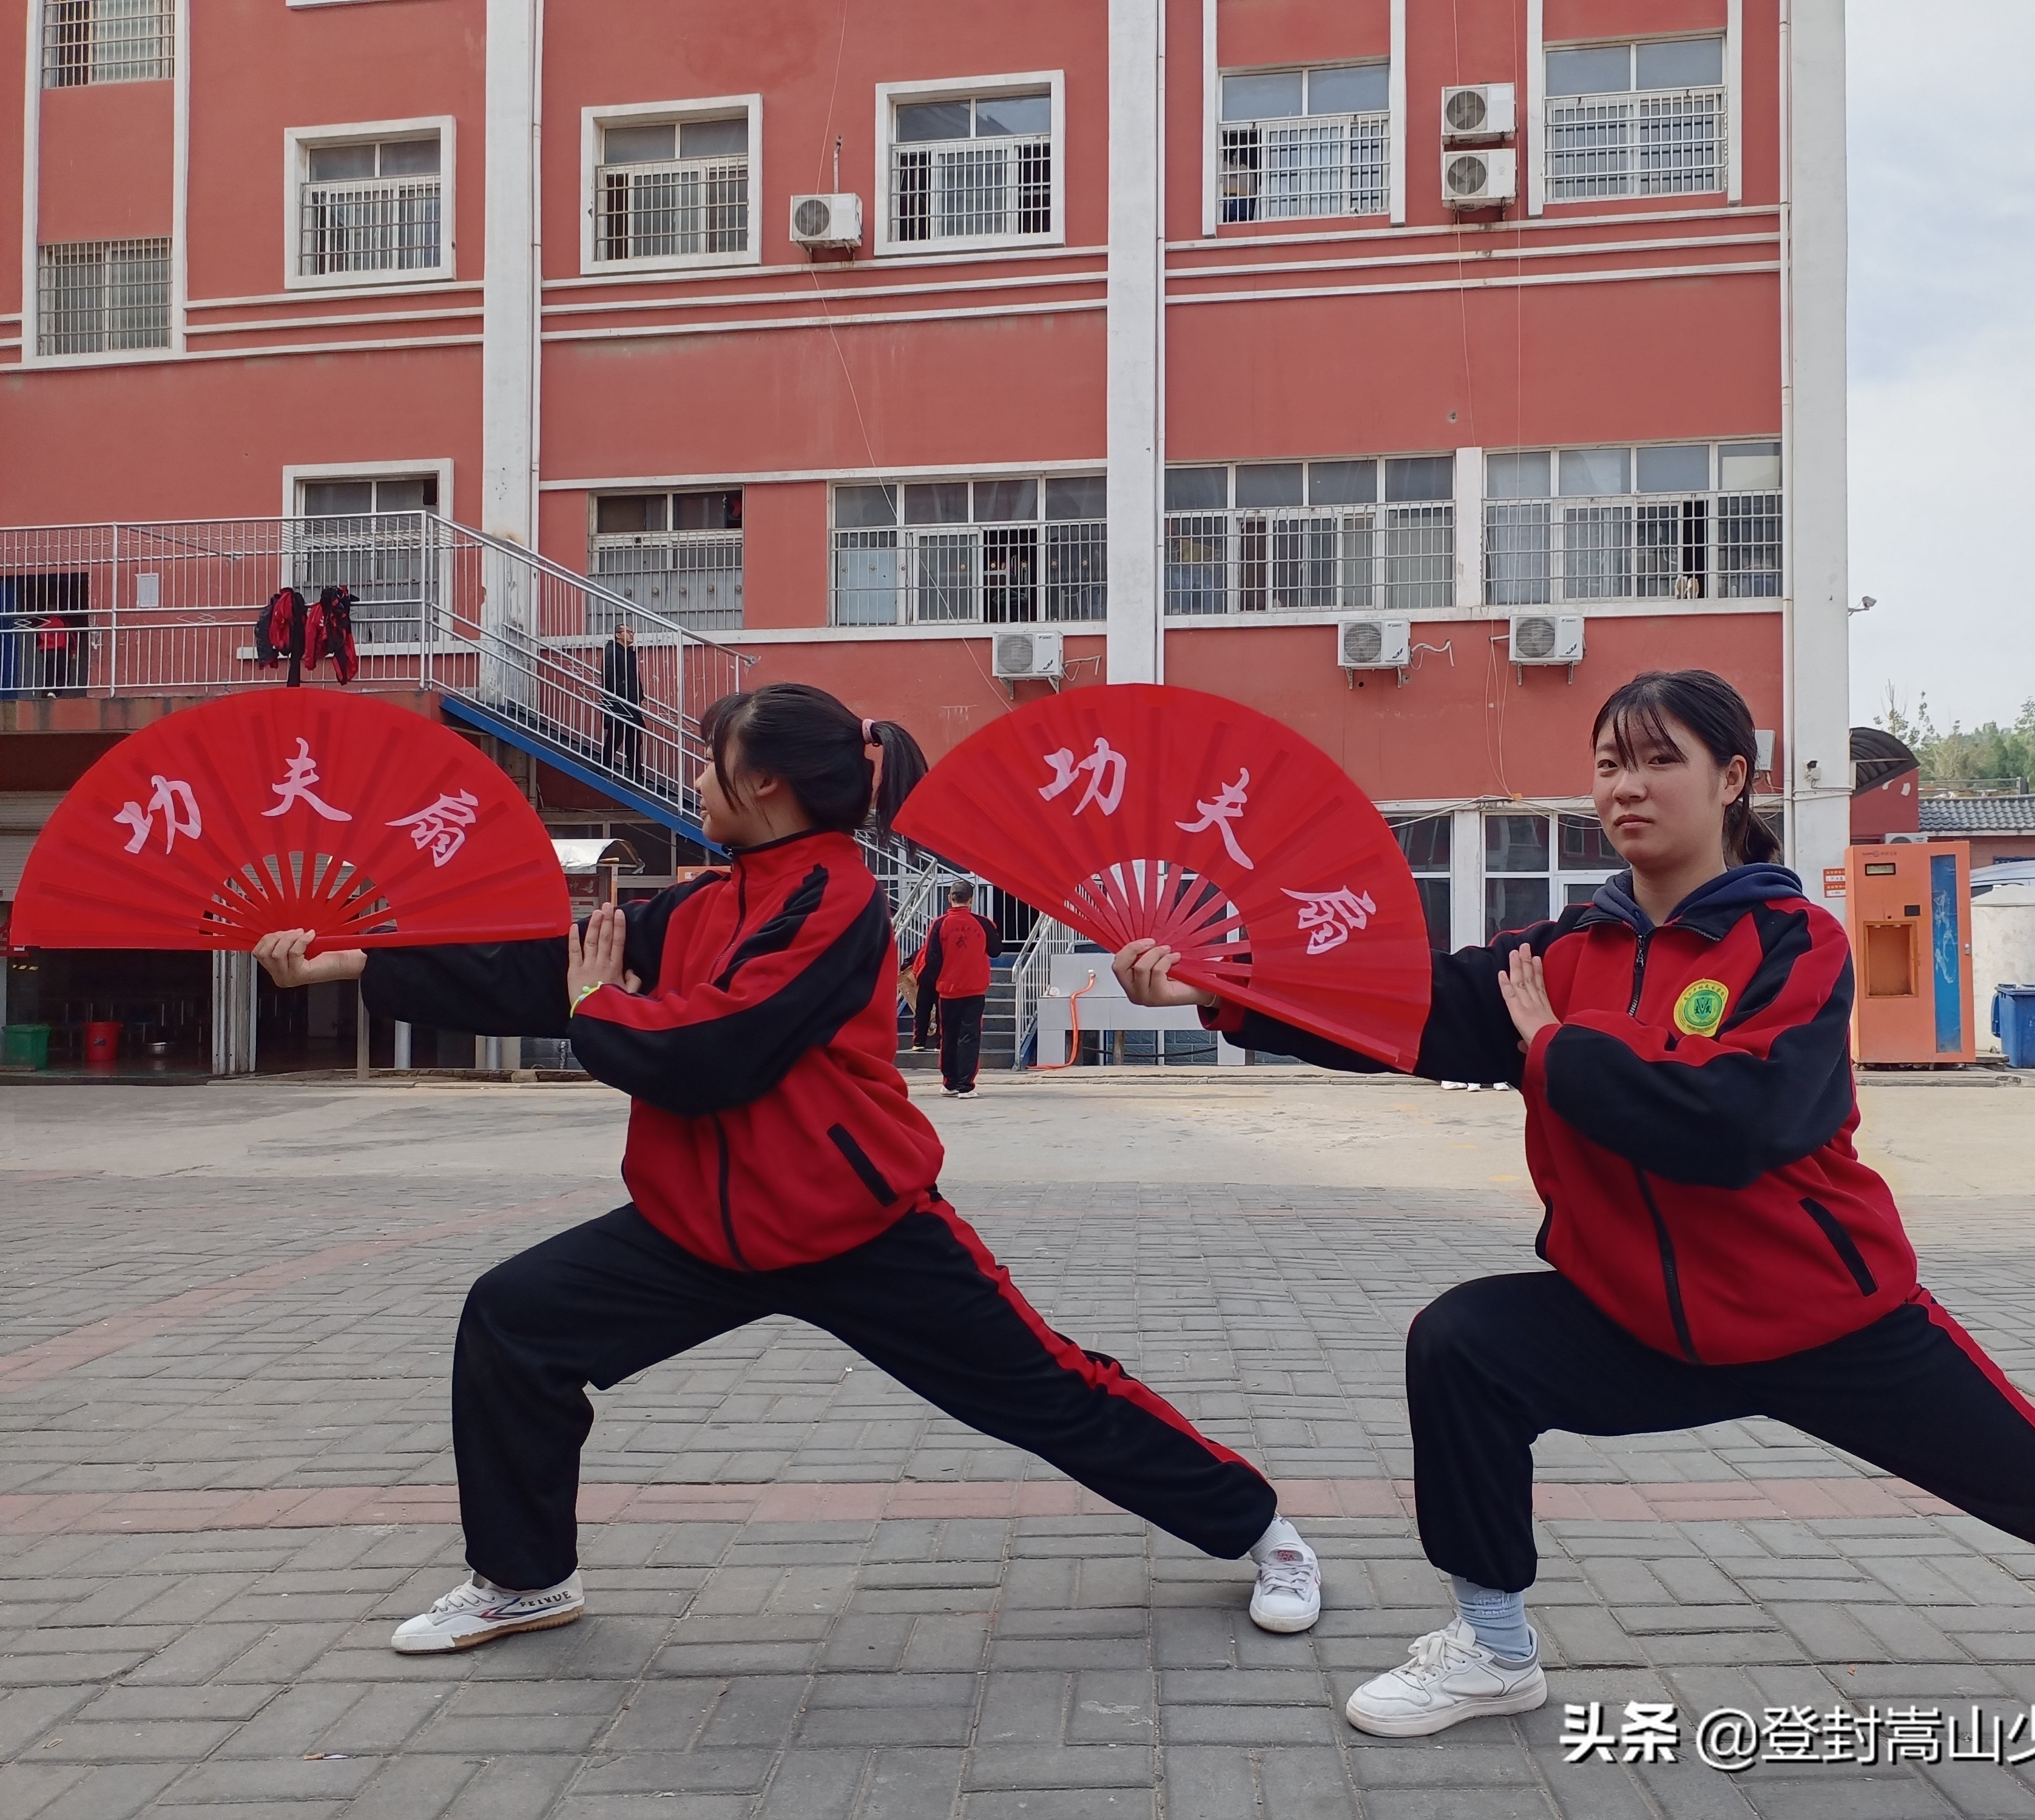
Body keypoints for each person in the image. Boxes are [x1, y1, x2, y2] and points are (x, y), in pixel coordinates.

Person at [1113, 667, 2035, 1738]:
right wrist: (1221, 988)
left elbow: (1743, 1124)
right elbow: (1397, 1007)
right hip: (1640, 1320)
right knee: (1463, 1345)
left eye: (1658, 760)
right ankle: (1492, 1649)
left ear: (1732, 779)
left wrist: (1557, 1052)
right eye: (1608, 763)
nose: (1625, 787)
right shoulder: (1559, 951)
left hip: (1827, 1321)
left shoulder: (1791, 943)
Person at [252, 682, 1321, 1653]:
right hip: (700, 1231)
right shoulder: (704, 903)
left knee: (1046, 1391)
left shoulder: (835, 901)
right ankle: (524, 1581)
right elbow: (558, 964)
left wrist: (596, 1006)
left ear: (763, 780)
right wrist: (358, 960)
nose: (695, 780)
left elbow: (710, 1051)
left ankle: (1264, 1532)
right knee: (512, 1321)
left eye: (708, 761)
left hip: (852, 1225)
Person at [916, 880, 999, 1097]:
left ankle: (950, 1083)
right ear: (971, 899)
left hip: (948, 990)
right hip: (975, 989)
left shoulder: (939, 924)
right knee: (970, 1037)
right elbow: (996, 950)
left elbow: (932, 959)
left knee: (948, 1036)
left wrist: (932, 984)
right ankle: (966, 1086)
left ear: (950, 898)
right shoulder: (983, 923)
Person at [601, 622, 644, 781]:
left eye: (632, 632)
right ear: (618, 635)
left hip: (631, 704)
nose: (632, 634)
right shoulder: (612, 652)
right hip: (618, 703)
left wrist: (639, 695)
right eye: (628, 632)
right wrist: (624, 694)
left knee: (634, 739)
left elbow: (634, 678)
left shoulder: (628, 653)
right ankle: (605, 767)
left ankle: (636, 775)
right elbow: (610, 677)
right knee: (616, 736)